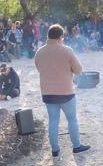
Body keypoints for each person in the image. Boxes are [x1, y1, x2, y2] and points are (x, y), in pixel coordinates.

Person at [34, 24, 90, 157]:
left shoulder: (39, 52)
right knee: (72, 119)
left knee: (53, 121)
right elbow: (78, 70)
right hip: (66, 92)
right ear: (60, 37)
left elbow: (39, 69)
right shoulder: (67, 50)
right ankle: (76, 146)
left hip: (47, 92)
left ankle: (55, 150)